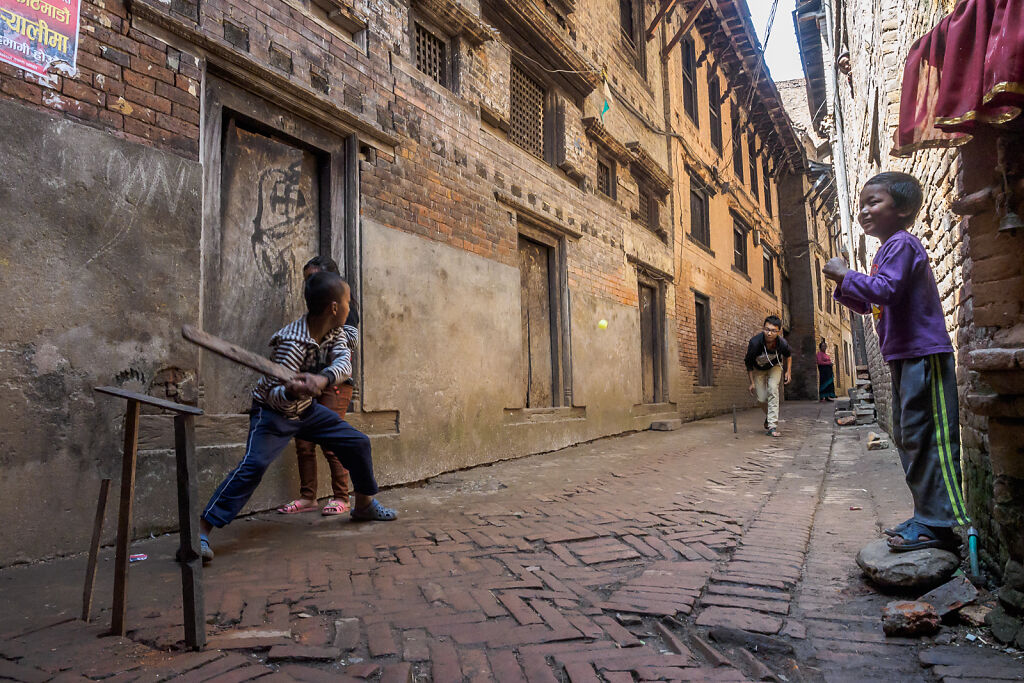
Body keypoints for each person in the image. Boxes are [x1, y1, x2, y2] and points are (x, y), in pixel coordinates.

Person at [198, 271, 396, 563]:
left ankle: (364, 505)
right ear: (333, 307)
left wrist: (322, 380)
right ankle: (201, 530)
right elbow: (271, 393)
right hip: (273, 414)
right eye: (346, 302)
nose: (349, 308)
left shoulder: (334, 332)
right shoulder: (291, 343)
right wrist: (290, 393)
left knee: (357, 442)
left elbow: (344, 363)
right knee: (253, 466)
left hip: (307, 411)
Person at [824, 171, 968, 553]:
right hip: (905, 356)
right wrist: (845, 284)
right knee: (911, 436)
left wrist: (845, 274)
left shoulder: (902, 245)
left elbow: (885, 291)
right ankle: (926, 516)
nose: (864, 212)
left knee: (930, 438)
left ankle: (941, 523)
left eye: (874, 203)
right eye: (861, 206)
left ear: (902, 209)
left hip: (924, 355)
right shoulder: (887, 250)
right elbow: (876, 300)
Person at [276, 256, 360, 516]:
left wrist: (328, 335)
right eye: (306, 282)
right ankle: (308, 496)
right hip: (308, 384)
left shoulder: (344, 309)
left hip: (334, 385)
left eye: (313, 279)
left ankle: (342, 497)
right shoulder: (308, 319)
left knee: (331, 441)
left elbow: (350, 345)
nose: (308, 287)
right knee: (303, 441)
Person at [744, 315, 792, 437]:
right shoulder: (755, 343)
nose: (769, 333)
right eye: (767, 329)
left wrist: (788, 371)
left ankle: (772, 426)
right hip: (759, 369)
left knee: (772, 389)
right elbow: (748, 362)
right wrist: (752, 383)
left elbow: (788, 355)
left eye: (773, 331)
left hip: (775, 366)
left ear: (779, 331)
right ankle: (769, 416)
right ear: (763, 328)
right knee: (761, 399)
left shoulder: (782, 343)